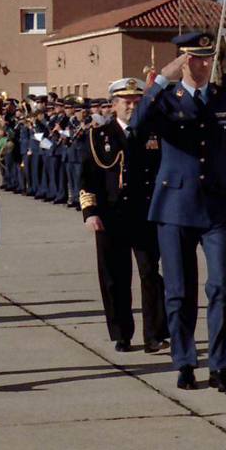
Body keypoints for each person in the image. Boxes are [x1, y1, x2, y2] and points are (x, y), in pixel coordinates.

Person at [133, 34, 226, 393]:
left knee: (220, 287)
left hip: (217, 207)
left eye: (207, 59)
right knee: (180, 292)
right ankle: (185, 363)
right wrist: (160, 81)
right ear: (183, 62)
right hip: (175, 207)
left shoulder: (224, 99)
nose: (203, 66)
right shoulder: (166, 99)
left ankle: (221, 366)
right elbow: (137, 124)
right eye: (196, 60)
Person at [79, 78, 168, 355]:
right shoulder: (98, 136)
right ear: (114, 105)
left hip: (145, 215)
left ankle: (154, 334)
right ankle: (121, 333)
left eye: (136, 101)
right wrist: (90, 212)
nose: (131, 106)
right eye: (126, 102)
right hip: (111, 217)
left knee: (150, 274)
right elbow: (87, 179)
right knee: (114, 277)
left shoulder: (153, 133)